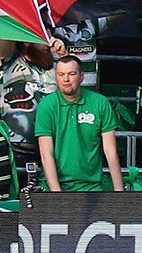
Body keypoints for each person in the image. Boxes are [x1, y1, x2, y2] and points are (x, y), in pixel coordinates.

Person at [34, 56, 123, 192]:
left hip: (92, 188)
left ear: (81, 76)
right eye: (61, 74)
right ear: (56, 77)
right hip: (56, 187)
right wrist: (57, 194)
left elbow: (111, 151)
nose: (66, 79)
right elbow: (46, 154)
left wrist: (119, 192)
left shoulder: (100, 103)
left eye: (72, 74)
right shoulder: (46, 106)